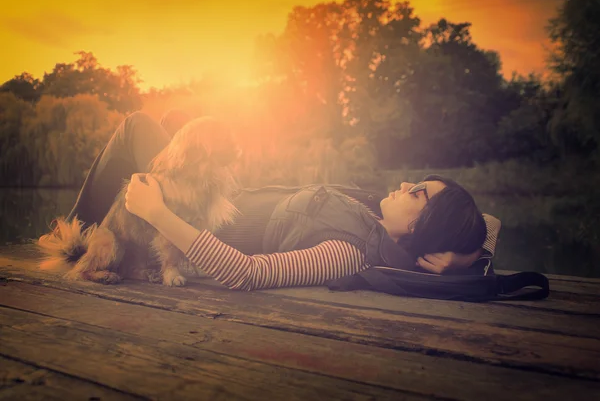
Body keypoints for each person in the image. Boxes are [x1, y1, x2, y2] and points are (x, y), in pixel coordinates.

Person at [63, 111, 501, 291]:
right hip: (217, 188)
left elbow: (248, 273)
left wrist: (156, 211)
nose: (405, 185)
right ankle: (84, 236)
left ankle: (78, 240)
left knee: (136, 126)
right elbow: (489, 222)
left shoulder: (347, 253)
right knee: (152, 123)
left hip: (193, 208)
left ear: (422, 228)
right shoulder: (374, 214)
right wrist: (469, 258)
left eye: (417, 194)